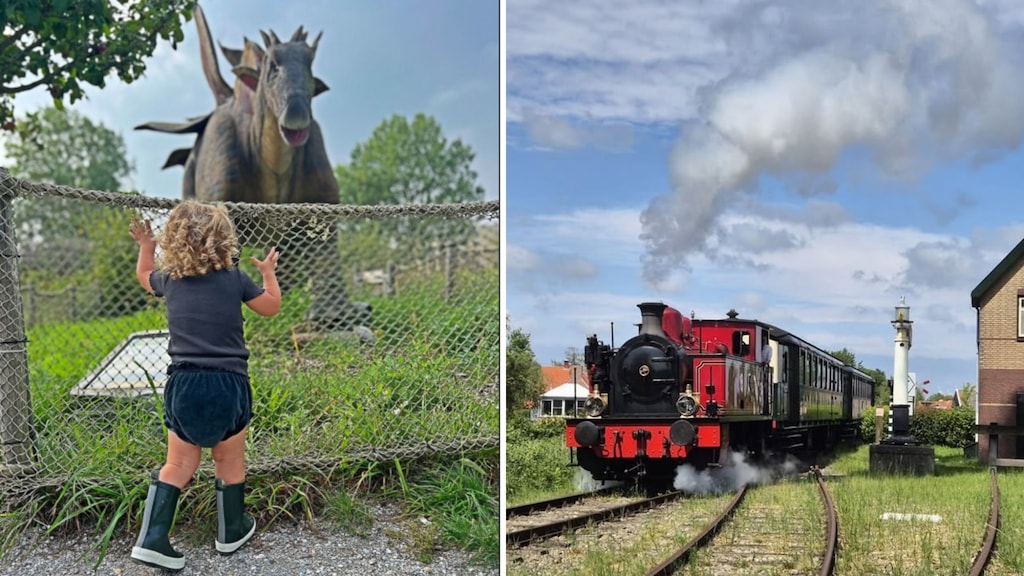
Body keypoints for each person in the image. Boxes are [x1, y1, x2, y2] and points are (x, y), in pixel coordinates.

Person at [128, 201, 281, 571]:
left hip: (184, 383)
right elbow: (271, 307)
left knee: (178, 462)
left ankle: (153, 538)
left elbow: (145, 275)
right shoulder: (234, 278)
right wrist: (268, 273)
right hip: (229, 383)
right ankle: (231, 531)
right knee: (229, 459)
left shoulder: (172, 281)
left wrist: (146, 247)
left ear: (175, 242)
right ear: (224, 240)